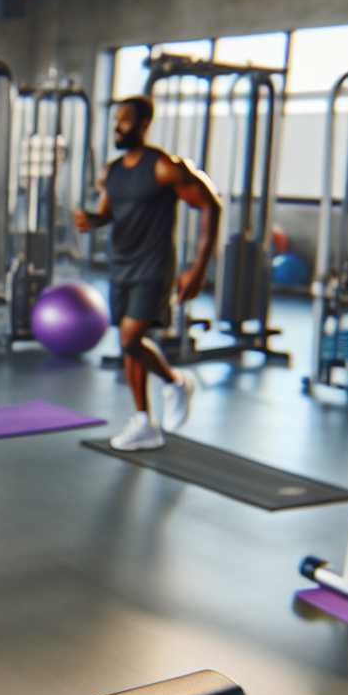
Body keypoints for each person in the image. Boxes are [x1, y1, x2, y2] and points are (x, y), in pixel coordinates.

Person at [74, 95, 222, 451]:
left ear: (143, 124)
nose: (117, 128)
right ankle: (145, 421)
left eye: (124, 121)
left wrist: (199, 268)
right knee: (130, 346)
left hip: (154, 265)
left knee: (129, 338)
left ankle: (174, 381)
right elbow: (108, 213)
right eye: (115, 121)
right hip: (120, 264)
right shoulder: (113, 170)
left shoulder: (163, 167)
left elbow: (210, 203)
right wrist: (91, 221)